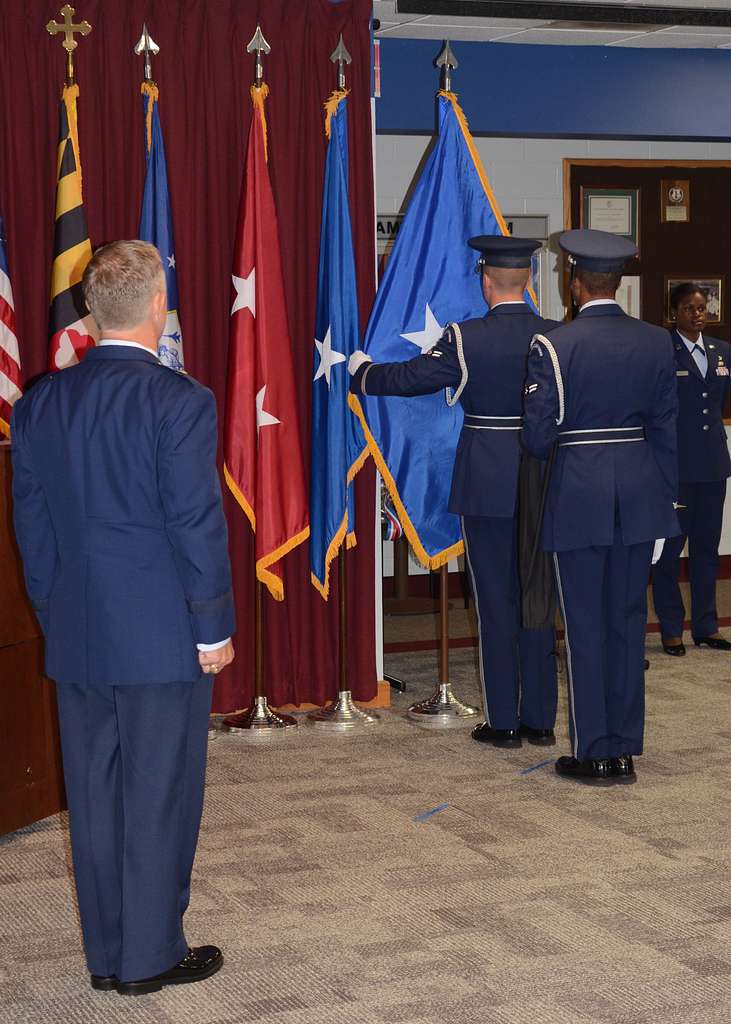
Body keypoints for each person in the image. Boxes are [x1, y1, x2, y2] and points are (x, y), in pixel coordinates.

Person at [11, 240, 235, 995]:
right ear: (157, 308)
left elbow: (31, 530)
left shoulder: (40, 400)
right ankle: (149, 956)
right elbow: (194, 524)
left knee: (97, 793)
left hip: (77, 628)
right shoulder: (181, 400)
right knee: (159, 791)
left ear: (88, 312)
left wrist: (58, 611)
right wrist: (213, 627)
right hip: (163, 633)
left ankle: (108, 953)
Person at [350, 235, 558, 749]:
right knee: (538, 597)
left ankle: (504, 723)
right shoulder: (557, 336)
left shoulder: (465, 337)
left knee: (494, 601)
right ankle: (540, 719)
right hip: (546, 480)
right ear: (529, 281)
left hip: (487, 480)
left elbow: (411, 378)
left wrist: (362, 373)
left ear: (486, 282)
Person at [522, 228, 679, 786]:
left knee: (585, 628)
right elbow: (665, 432)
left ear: (574, 281)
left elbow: (538, 440)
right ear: (618, 281)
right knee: (627, 624)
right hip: (641, 498)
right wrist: (668, 505)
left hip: (580, 499)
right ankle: (625, 749)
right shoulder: (658, 341)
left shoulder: (554, 346)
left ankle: (595, 754)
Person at [652, 282, 731, 655]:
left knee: (706, 550)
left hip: (713, 467)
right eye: (689, 308)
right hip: (676, 468)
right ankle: (671, 627)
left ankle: (706, 626)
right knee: (669, 551)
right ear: (674, 313)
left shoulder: (722, 352)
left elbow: (717, 406)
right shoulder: (662, 352)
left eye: (702, 308)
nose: (697, 314)